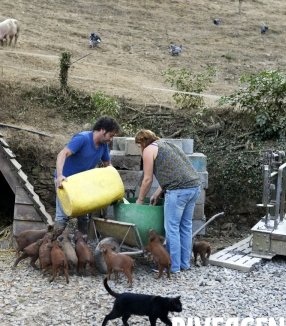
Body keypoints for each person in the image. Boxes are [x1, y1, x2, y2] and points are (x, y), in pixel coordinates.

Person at [134, 130, 201, 273]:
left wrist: (140, 200)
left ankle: (173, 267)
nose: (140, 149)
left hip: (178, 192)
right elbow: (174, 172)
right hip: (194, 187)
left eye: (139, 146)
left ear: (142, 143)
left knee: (172, 229)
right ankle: (184, 264)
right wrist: (158, 193)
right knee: (185, 227)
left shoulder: (148, 150)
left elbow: (147, 179)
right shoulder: (168, 145)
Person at [54, 116, 121, 236]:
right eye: (111, 135)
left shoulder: (103, 145)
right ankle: (52, 245)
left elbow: (108, 167)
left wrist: (113, 187)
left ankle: (81, 245)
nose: (111, 139)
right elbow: (62, 154)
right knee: (62, 217)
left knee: (84, 218)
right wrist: (59, 176)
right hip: (66, 181)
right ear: (102, 130)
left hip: (82, 184)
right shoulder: (82, 138)